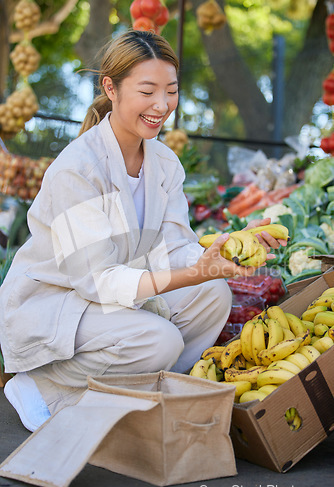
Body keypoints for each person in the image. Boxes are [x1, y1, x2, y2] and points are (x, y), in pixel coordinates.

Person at [0, 29, 286, 433]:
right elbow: (98, 282)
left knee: (213, 294)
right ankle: (45, 386)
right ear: (111, 88)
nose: (162, 105)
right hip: (61, 302)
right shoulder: (77, 169)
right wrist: (191, 273)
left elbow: (175, 245)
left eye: (170, 91)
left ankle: (149, 390)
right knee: (159, 340)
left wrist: (232, 246)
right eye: (147, 91)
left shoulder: (165, 163)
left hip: (117, 294)